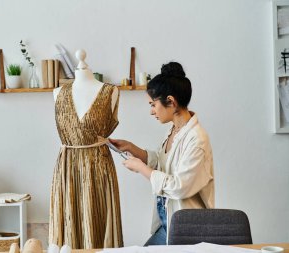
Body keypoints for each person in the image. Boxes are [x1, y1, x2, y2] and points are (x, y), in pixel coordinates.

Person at [109, 62, 215, 246]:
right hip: (168, 222)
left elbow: (179, 187)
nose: (151, 111)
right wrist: (132, 148)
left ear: (171, 102)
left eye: (153, 104)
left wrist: (141, 168)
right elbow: (162, 162)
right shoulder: (174, 130)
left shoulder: (197, 140)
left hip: (187, 230)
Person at [49, 49, 123, 249]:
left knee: (99, 222)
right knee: (69, 228)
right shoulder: (58, 93)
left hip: (99, 166)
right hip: (67, 168)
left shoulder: (110, 91)